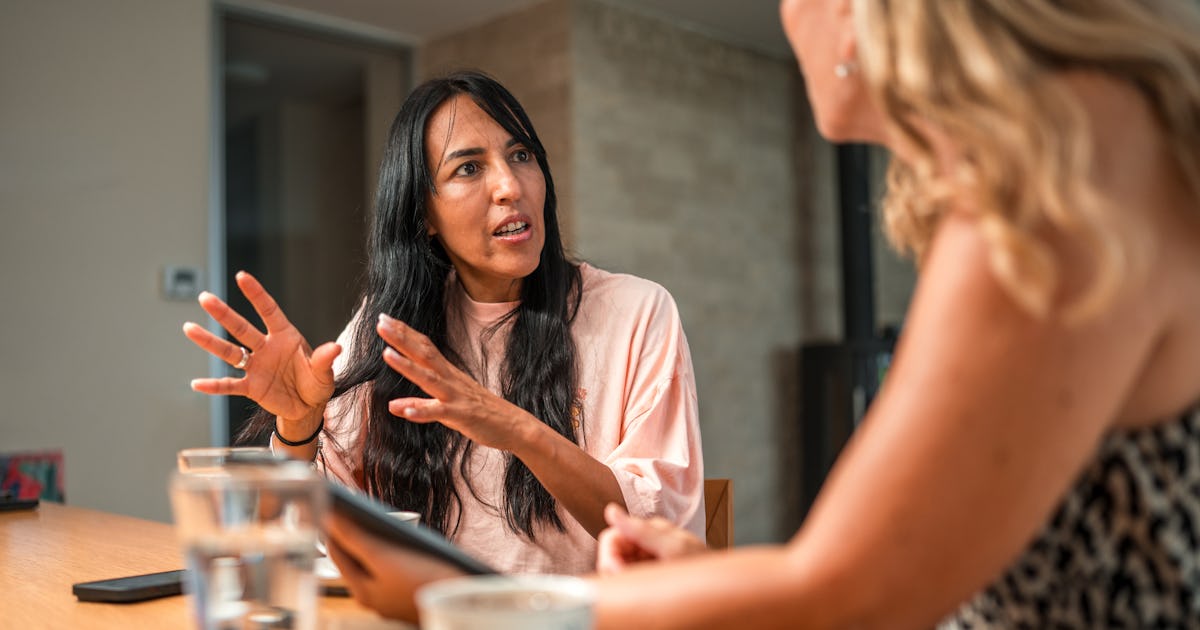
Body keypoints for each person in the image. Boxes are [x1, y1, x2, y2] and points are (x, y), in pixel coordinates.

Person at [321, 0, 1200, 627]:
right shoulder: (1071, 145)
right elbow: (867, 573)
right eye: (468, 168)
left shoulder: (1061, 173)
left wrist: (473, 608)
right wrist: (711, 575)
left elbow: (852, 593)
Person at [183, 70, 705, 576]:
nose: (508, 185)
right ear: (425, 216)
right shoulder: (390, 325)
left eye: (520, 155)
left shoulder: (636, 310)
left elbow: (663, 535)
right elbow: (317, 533)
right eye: (469, 169)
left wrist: (514, 428)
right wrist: (297, 428)